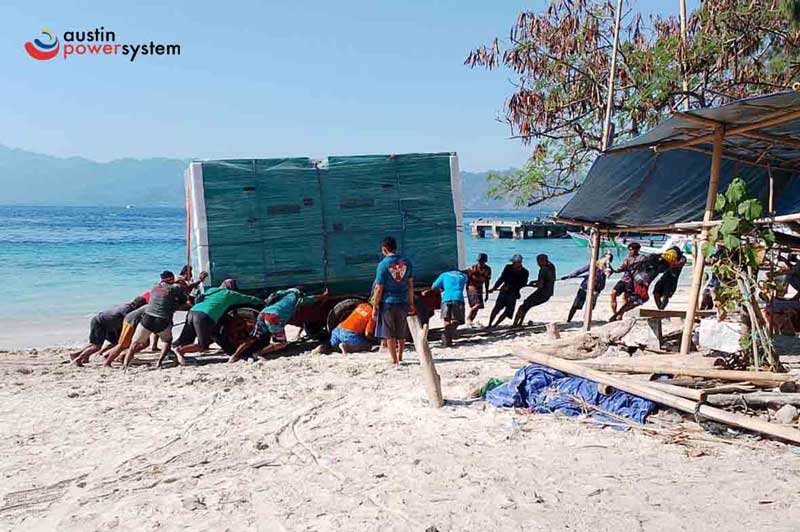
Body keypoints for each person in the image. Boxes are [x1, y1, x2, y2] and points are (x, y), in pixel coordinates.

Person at [122, 270, 204, 370]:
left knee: (134, 344)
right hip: (162, 320)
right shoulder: (175, 287)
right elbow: (184, 298)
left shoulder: (155, 286)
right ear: (172, 279)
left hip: (147, 318)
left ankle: (125, 365)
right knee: (167, 341)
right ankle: (159, 362)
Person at [228, 287, 328, 363]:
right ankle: (258, 353)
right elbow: (312, 299)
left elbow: (272, 296)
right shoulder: (298, 297)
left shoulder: (283, 293)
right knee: (281, 343)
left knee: (252, 337)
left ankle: (234, 356)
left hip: (263, 313)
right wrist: (323, 295)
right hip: (274, 317)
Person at [173, 278, 264, 356]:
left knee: (187, 340)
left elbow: (199, 298)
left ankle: (175, 353)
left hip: (192, 311)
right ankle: (179, 352)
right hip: (204, 316)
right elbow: (248, 299)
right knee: (203, 346)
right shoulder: (231, 294)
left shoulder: (212, 290)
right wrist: (262, 301)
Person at [372, 236, 415, 365]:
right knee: (401, 330)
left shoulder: (383, 265)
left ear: (384, 249)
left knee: (389, 332)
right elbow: (410, 285)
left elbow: (379, 288)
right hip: (403, 300)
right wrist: (411, 303)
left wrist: (375, 306)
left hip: (388, 302)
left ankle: (394, 359)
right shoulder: (406, 262)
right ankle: (400, 355)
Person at [70, 296, 147, 366]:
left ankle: (80, 355)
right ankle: (78, 359)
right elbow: (129, 323)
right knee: (96, 346)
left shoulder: (128, 306)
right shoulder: (127, 310)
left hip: (110, 325)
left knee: (116, 343)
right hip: (100, 323)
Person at [610, 253, 670, 321]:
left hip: (639, 282)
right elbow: (664, 266)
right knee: (639, 300)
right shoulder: (655, 269)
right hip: (641, 284)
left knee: (636, 300)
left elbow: (650, 259)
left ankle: (619, 313)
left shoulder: (645, 265)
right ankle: (619, 313)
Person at [563, 252, 614, 323]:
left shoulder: (608, 268)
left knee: (590, 307)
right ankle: (568, 320)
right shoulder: (593, 265)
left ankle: (586, 320)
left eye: (609, 259)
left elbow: (609, 272)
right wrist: (570, 276)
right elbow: (580, 271)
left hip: (596, 290)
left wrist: (607, 270)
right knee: (576, 305)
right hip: (585, 287)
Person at [424, 268, 468, 347]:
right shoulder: (463, 276)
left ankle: (448, 341)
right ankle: (446, 334)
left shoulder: (444, 275)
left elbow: (433, 287)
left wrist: (441, 289)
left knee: (446, 319)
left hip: (446, 299)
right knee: (457, 321)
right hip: (458, 298)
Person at [512, 254, 556, 327]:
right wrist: (535, 281)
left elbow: (540, 285)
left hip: (542, 293)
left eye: (538, 262)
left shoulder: (542, 270)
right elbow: (547, 280)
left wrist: (528, 285)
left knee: (522, 306)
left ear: (541, 261)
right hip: (549, 293)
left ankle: (514, 324)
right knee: (527, 305)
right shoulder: (551, 267)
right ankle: (519, 323)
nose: (538, 264)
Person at [487, 254, 529, 329]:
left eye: (514, 262)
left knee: (507, 312)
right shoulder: (508, 267)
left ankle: (495, 325)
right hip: (503, 292)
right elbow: (501, 278)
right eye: (513, 262)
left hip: (513, 294)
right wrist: (494, 288)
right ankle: (489, 324)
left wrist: (510, 287)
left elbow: (522, 284)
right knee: (496, 308)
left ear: (519, 262)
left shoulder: (525, 272)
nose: (513, 264)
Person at [610, 242, 645, 316]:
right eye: (630, 250)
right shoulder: (627, 259)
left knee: (625, 298)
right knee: (613, 293)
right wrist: (615, 271)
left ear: (637, 250)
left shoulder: (642, 258)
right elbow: (622, 268)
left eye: (632, 250)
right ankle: (615, 313)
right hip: (624, 279)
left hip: (632, 282)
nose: (631, 252)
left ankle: (620, 315)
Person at [465, 253, 492, 327]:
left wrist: (487, 293)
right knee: (477, 305)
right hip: (471, 286)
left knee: (478, 307)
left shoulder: (488, 269)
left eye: (482, 261)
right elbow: (465, 277)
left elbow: (487, 281)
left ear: (485, 261)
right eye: (479, 261)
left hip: (480, 287)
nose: (480, 263)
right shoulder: (472, 268)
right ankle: (468, 319)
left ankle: (471, 321)